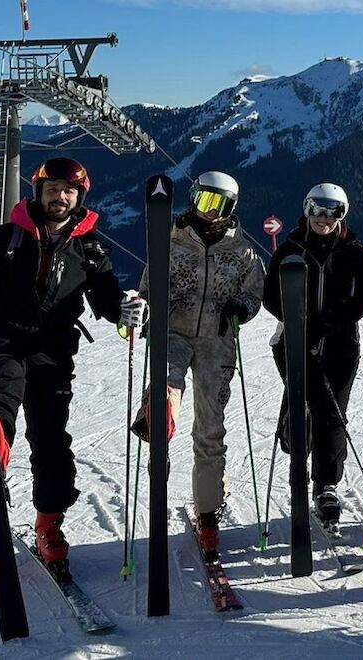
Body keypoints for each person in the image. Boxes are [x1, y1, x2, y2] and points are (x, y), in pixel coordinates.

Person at [0, 156, 146, 569]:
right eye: (52, 188)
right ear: (38, 193)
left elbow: (106, 299)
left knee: (51, 437)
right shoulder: (4, 240)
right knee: (2, 392)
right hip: (3, 335)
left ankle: (49, 525)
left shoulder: (90, 249)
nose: (60, 196)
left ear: (79, 197)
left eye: (68, 190)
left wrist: (125, 309)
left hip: (53, 348)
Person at [131, 171, 265, 561]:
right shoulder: (170, 244)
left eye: (218, 205)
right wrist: (142, 310)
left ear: (230, 209)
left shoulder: (242, 252)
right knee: (167, 381)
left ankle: (208, 514)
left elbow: (253, 292)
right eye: (203, 201)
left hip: (216, 343)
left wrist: (244, 308)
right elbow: (145, 289)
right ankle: (159, 413)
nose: (209, 212)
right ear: (193, 199)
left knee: (210, 430)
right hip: (173, 331)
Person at [262, 182, 363, 528]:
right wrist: (300, 323)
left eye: (333, 212)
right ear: (307, 210)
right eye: (318, 211)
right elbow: (270, 296)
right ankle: (295, 438)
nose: (324, 219)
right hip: (295, 343)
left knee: (333, 413)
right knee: (317, 407)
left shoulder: (355, 252)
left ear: (342, 214)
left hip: (341, 344)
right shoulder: (291, 249)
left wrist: (334, 320)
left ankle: (325, 485)